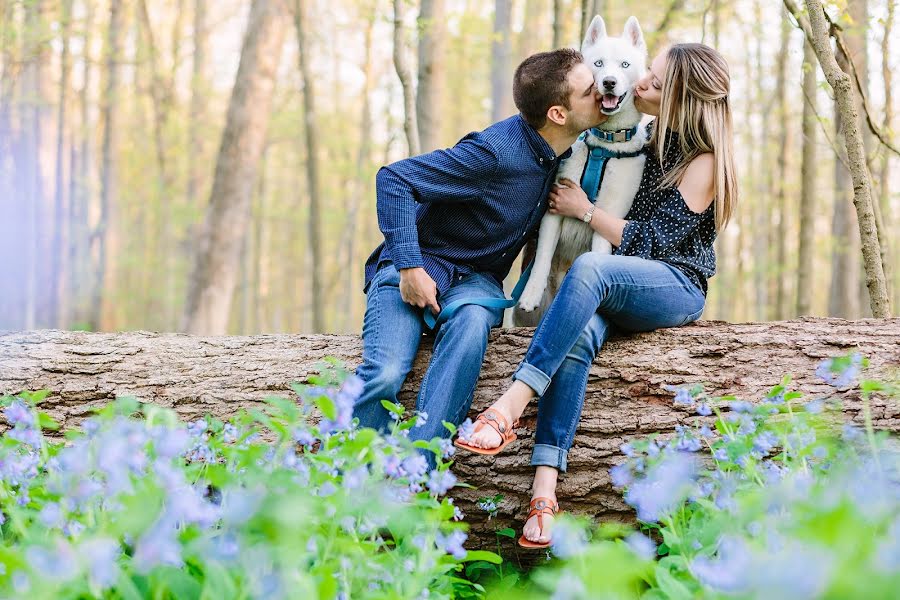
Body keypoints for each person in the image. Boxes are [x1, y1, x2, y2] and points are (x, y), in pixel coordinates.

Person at [456, 43, 738, 548]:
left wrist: (585, 211)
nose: (640, 86)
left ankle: (511, 403)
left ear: (679, 97)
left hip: (674, 284)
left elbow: (650, 243)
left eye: (652, 81)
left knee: (591, 266)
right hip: (627, 279)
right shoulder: (650, 138)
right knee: (579, 337)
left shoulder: (705, 162)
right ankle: (544, 495)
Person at [352, 49, 609, 460]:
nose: (603, 90)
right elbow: (394, 179)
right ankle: (353, 484)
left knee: (473, 324)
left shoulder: (571, 155)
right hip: (419, 262)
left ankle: (418, 478)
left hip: (475, 284)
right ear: (559, 114)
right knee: (384, 374)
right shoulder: (495, 153)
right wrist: (409, 265)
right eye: (590, 88)